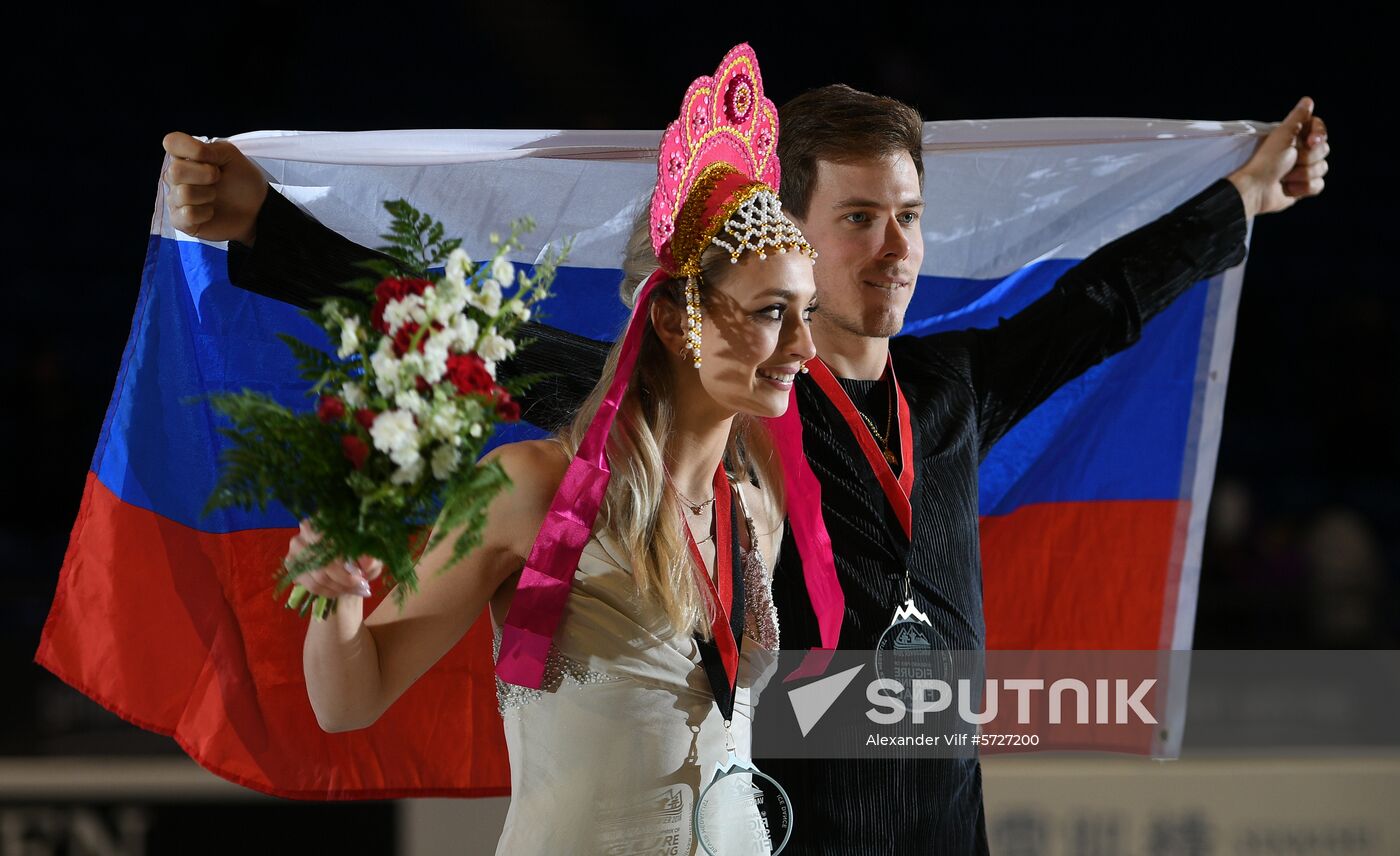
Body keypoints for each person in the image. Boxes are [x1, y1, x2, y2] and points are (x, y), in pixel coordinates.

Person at [164, 83, 1329, 853]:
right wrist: (270, 228)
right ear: (793, 230)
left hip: (940, 826)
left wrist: (1241, 199)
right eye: (859, 217)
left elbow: (1102, 303)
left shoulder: (940, 393)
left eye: (910, 216)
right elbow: (453, 326)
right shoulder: (677, 409)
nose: (893, 248)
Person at [280, 45, 820, 854]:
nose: (808, 346)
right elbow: (348, 702)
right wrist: (339, 597)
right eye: (776, 311)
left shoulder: (757, 508)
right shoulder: (535, 487)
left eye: (806, 311)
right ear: (675, 322)